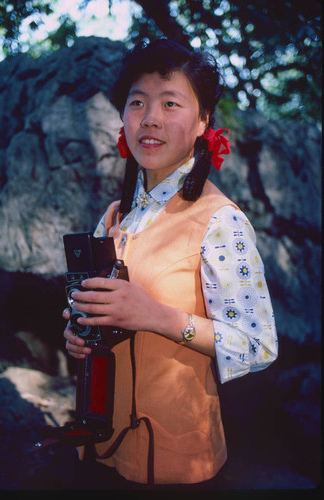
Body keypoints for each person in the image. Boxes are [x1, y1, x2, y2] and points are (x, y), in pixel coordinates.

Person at [63, 38, 278, 489]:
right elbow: (104, 316)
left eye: (170, 102)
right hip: (99, 449)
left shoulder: (221, 221)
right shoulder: (114, 215)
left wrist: (157, 317)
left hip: (176, 467)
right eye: (137, 102)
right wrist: (83, 330)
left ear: (203, 121)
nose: (151, 118)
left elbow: (257, 345)